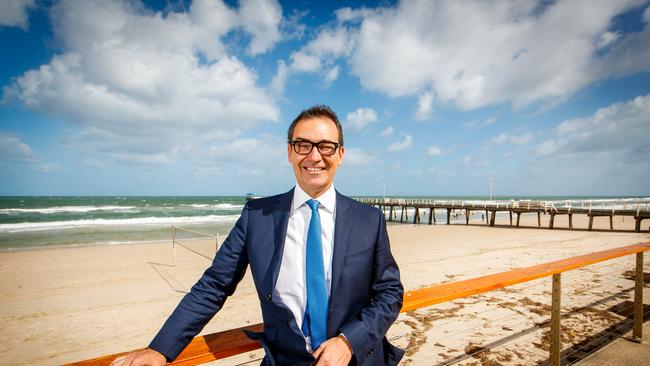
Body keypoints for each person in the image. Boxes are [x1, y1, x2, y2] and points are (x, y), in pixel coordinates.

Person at [111, 105, 404, 366]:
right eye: (303, 145)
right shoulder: (257, 217)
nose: (314, 156)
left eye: (326, 146)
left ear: (340, 154)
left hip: (356, 359)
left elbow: (389, 294)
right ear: (289, 152)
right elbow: (213, 285)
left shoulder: (369, 219)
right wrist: (160, 349)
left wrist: (349, 341)